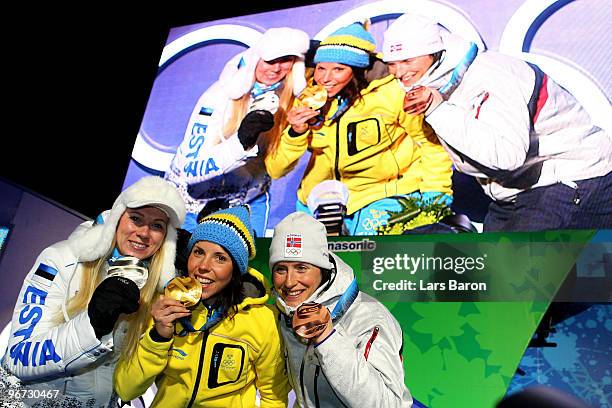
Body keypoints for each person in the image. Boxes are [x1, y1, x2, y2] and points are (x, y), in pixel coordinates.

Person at [382, 13, 612, 232]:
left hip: (572, 175)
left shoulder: (491, 74)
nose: (398, 71)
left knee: (514, 268)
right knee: (486, 266)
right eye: (391, 63)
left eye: (406, 60)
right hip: (515, 189)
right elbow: (471, 160)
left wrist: (438, 110)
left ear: (434, 52)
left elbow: (506, 156)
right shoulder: (437, 86)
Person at [1, 176, 186, 407]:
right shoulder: (62, 259)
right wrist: (92, 324)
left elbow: (127, 384)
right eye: (136, 218)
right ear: (117, 219)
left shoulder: (157, 290)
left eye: (157, 225)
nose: (144, 233)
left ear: (165, 240)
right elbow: (17, 358)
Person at [265, 21, 453, 236]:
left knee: (369, 258)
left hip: (382, 196)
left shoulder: (393, 94)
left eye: (338, 69)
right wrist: (295, 132)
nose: (325, 78)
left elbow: (430, 146)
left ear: (356, 71)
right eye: (321, 68)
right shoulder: (310, 98)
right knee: (309, 261)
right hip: (320, 200)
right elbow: (275, 170)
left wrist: (436, 197)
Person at [114, 205, 290, 407]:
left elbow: (274, 398)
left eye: (220, 258)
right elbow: (126, 389)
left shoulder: (263, 320)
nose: (204, 266)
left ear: (236, 269)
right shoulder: (163, 306)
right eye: (198, 252)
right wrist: (158, 336)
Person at [165, 27, 311, 236]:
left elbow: (276, 170)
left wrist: (296, 134)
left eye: (286, 60)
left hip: (249, 203)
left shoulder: (290, 99)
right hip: (193, 203)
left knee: (250, 267)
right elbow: (190, 172)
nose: (277, 68)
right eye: (270, 60)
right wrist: (241, 142)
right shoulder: (218, 96)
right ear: (255, 60)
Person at [269, 211, 413, 407]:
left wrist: (328, 339)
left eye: (301, 268)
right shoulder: (283, 313)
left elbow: (387, 404)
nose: (290, 281)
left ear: (322, 269)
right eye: (281, 269)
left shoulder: (370, 319)